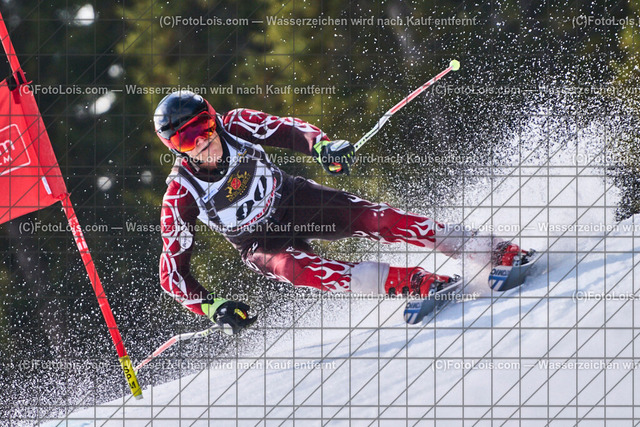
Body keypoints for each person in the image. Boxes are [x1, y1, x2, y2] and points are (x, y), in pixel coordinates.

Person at [155, 90, 527, 335]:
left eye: (203, 126)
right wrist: (213, 307)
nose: (201, 141)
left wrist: (322, 147)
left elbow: (288, 129)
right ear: (174, 147)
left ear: (213, 118)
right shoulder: (181, 195)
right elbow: (172, 274)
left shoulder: (235, 125)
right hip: (259, 243)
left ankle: (489, 249)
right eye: (185, 139)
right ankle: (412, 281)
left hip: (293, 200)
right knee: (298, 270)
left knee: (378, 220)